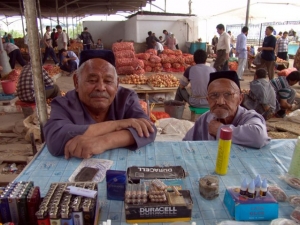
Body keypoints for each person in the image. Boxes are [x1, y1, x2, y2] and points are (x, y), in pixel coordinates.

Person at [43, 51, 156, 158]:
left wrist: (103, 141)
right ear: (76, 82)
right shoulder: (63, 104)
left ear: (117, 85)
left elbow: (149, 129)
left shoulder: (126, 98)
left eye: (108, 81)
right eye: (92, 81)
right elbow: (54, 139)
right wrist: (118, 125)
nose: (101, 88)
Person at [183, 70, 270, 149]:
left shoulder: (248, 117)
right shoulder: (204, 119)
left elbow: (259, 137)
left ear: (240, 99)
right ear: (208, 100)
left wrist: (221, 131)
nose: (220, 102)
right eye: (214, 95)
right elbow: (185, 144)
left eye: (228, 94)